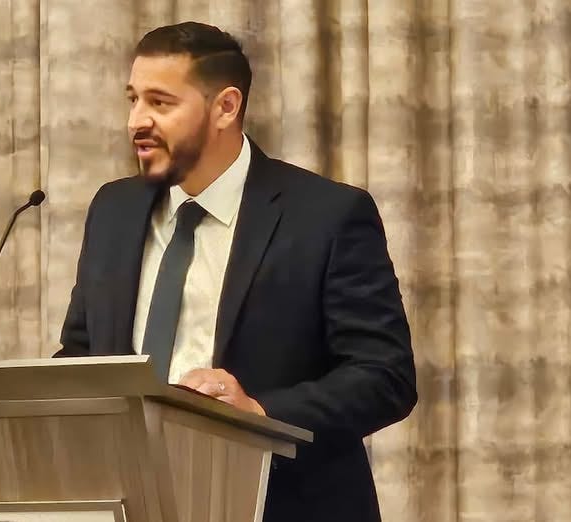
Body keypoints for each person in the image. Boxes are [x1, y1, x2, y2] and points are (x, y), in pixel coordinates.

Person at [53, 21, 417, 522]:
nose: (137, 121)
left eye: (161, 103)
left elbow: (384, 376)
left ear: (226, 107)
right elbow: (81, 356)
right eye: (133, 99)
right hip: (132, 503)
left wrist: (259, 414)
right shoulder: (113, 210)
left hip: (280, 504)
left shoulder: (325, 215)